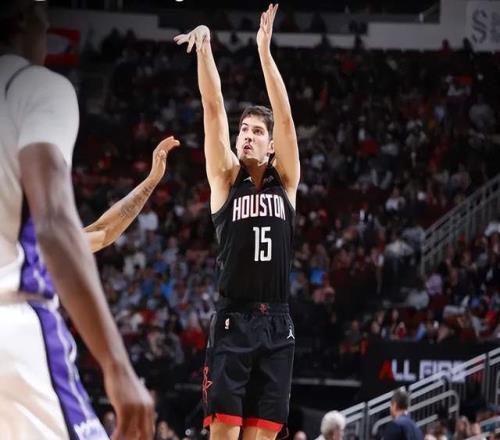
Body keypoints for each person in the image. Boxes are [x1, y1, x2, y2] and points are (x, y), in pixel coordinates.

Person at [0, 0, 170, 438]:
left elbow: (99, 231)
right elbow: (57, 223)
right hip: (14, 334)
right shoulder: (33, 85)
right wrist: (117, 367)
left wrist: (150, 182)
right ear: (22, 17)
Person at [175, 4, 300, 440]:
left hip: (277, 323)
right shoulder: (226, 180)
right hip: (233, 320)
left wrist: (264, 53)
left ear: (271, 146)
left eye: (257, 131)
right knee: (225, 433)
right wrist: (204, 48)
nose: (246, 134)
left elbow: (286, 118)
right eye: (243, 129)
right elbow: (213, 109)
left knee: (263, 435)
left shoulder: (287, 181)